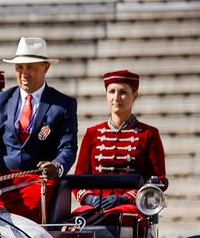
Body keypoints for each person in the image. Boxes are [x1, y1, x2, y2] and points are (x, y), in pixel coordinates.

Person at [0, 37, 78, 223]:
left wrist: (56, 166)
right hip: (2, 178)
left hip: (39, 180)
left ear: (45, 68)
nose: (24, 73)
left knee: (26, 224)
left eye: (31, 67)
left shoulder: (63, 105)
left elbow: (68, 148)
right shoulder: (0, 100)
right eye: (19, 68)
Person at [71, 70, 168, 222]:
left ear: (134, 96)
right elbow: (78, 178)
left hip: (131, 206)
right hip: (94, 205)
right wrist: (89, 198)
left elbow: (159, 180)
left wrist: (124, 198)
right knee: (74, 221)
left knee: (117, 218)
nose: (116, 98)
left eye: (123, 92)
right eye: (111, 92)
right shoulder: (92, 133)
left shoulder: (149, 134)